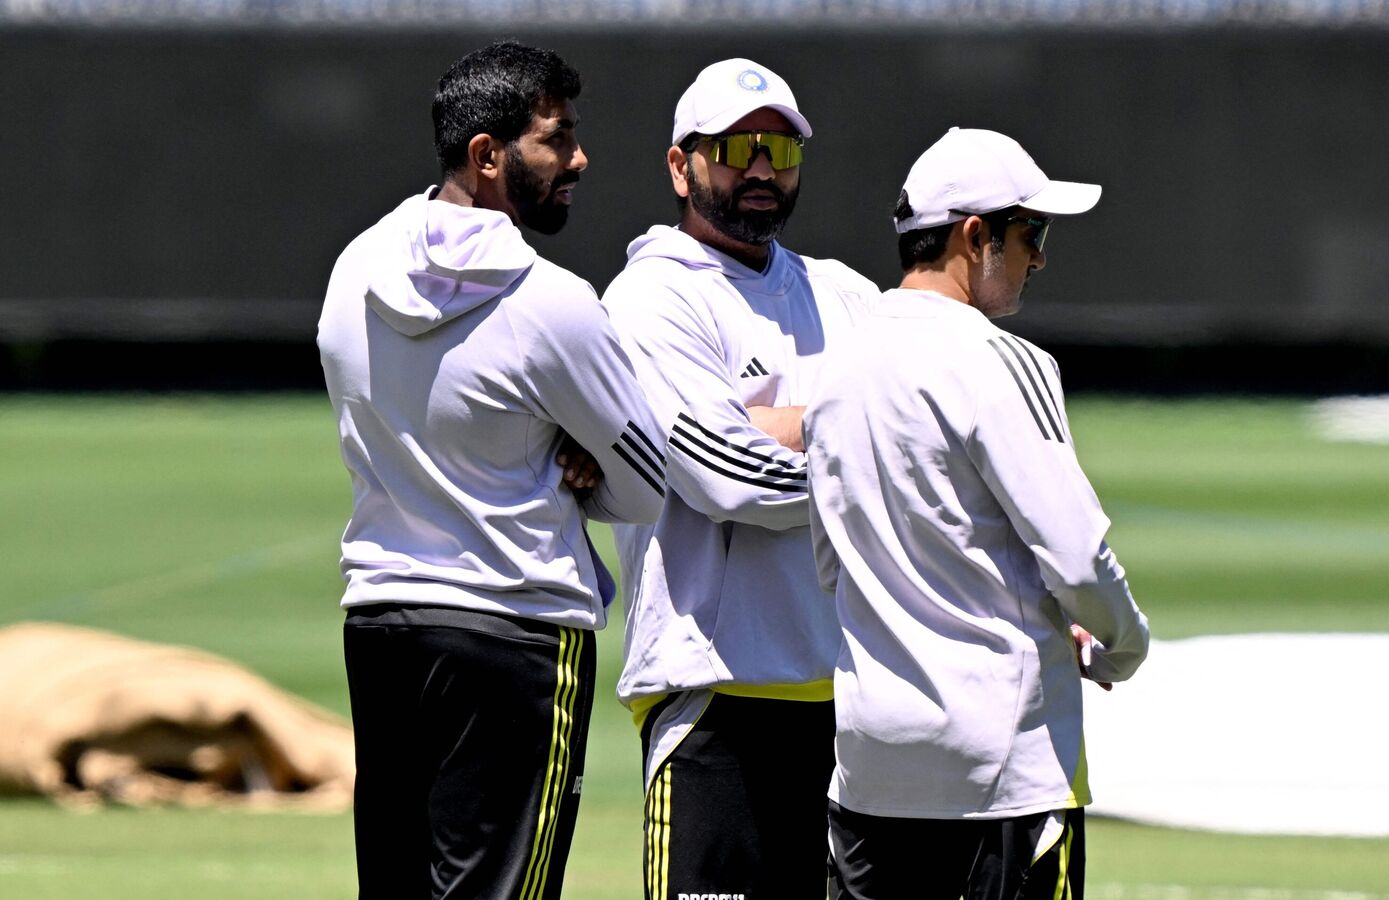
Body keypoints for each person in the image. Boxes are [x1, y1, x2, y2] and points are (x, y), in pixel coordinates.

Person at [316, 41, 666, 900]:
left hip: (382, 624)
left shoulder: (354, 267)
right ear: (487, 155)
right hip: (517, 633)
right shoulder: (554, 303)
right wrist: (566, 459)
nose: (579, 158)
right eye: (558, 137)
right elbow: (646, 484)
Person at [804, 127, 1152, 899]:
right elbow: (1076, 554)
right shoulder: (1003, 362)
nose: (1041, 255)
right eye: (1032, 232)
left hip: (870, 767)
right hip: (1002, 770)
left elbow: (831, 564)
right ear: (974, 237)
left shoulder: (838, 370)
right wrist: (1125, 645)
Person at [600, 58, 879, 900]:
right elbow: (733, 478)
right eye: (738, 147)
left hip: (856, 707)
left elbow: (929, 441)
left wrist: (786, 422)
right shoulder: (651, 298)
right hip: (716, 701)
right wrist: (860, 448)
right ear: (681, 164)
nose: (761, 169)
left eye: (780, 152)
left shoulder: (844, 293)